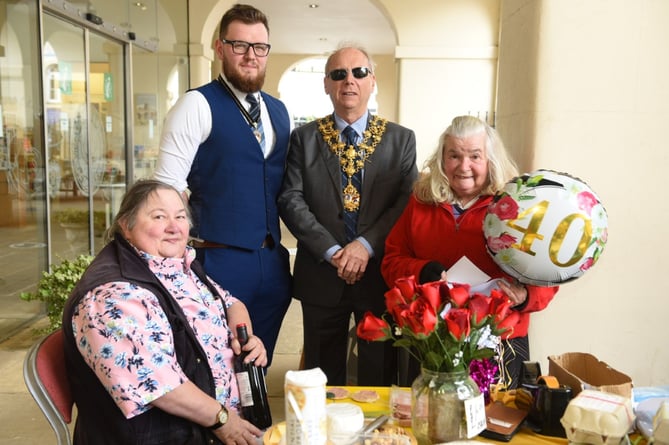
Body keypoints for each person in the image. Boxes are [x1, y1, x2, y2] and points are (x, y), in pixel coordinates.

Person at [61, 180, 266, 445]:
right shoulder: (112, 296)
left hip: (217, 423)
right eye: (159, 217)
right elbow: (158, 385)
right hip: (173, 434)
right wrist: (224, 420)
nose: (174, 227)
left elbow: (229, 302)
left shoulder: (175, 265)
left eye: (180, 217)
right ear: (126, 225)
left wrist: (243, 335)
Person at [153, 4, 292, 366]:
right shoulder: (195, 105)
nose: (251, 56)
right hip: (218, 263)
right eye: (239, 45)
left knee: (257, 373)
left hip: (272, 264)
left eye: (260, 47)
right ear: (219, 48)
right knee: (218, 372)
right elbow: (165, 193)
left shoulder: (279, 111)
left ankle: (257, 425)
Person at [381, 115, 558, 389]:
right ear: (442, 159)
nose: (464, 167)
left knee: (495, 424)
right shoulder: (421, 201)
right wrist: (421, 271)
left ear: (491, 160)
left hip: (500, 340)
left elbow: (548, 273)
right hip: (433, 339)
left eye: (475, 156)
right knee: (431, 421)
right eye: (454, 156)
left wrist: (525, 296)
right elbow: (391, 262)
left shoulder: (517, 206)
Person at [278, 44, 418, 386]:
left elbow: (405, 202)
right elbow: (290, 198)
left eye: (359, 72)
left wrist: (365, 246)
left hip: (378, 273)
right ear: (326, 84)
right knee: (321, 377)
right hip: (322, 273)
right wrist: (334, 252)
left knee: (379, 370)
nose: (349, 81)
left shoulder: (401, 140)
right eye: (338, 74)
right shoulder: (303, 139)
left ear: (372, 81)